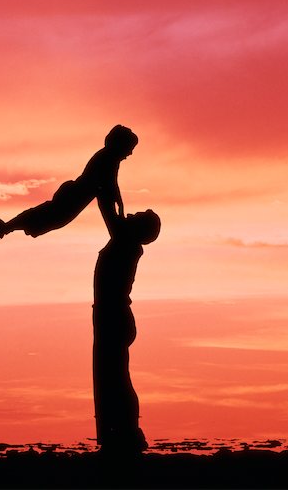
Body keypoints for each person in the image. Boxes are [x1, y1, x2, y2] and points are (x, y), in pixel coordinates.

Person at [0, 125, 138, 253]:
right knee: (44, 218)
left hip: (75, 198)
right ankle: (1, 228)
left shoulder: (110, 159)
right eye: (129, 148)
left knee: (46, 219)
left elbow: (110, 185)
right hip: (73, 196)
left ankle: (2, 228)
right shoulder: (107, 159)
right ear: (120, 144)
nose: (130, 153)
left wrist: (118, 202)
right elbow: (108, 186)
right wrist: (117, 208)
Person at [93, 194, 161, 454]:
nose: (131, 214)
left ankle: (127, 432)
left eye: (137, 216)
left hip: (114, 317)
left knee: (115, 378)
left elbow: (106, 208)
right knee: (113, 377)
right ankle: (120, 432)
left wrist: (105, 184)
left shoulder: (125, 242)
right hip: (111, 316)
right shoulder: (126, 241)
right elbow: (114, 214)